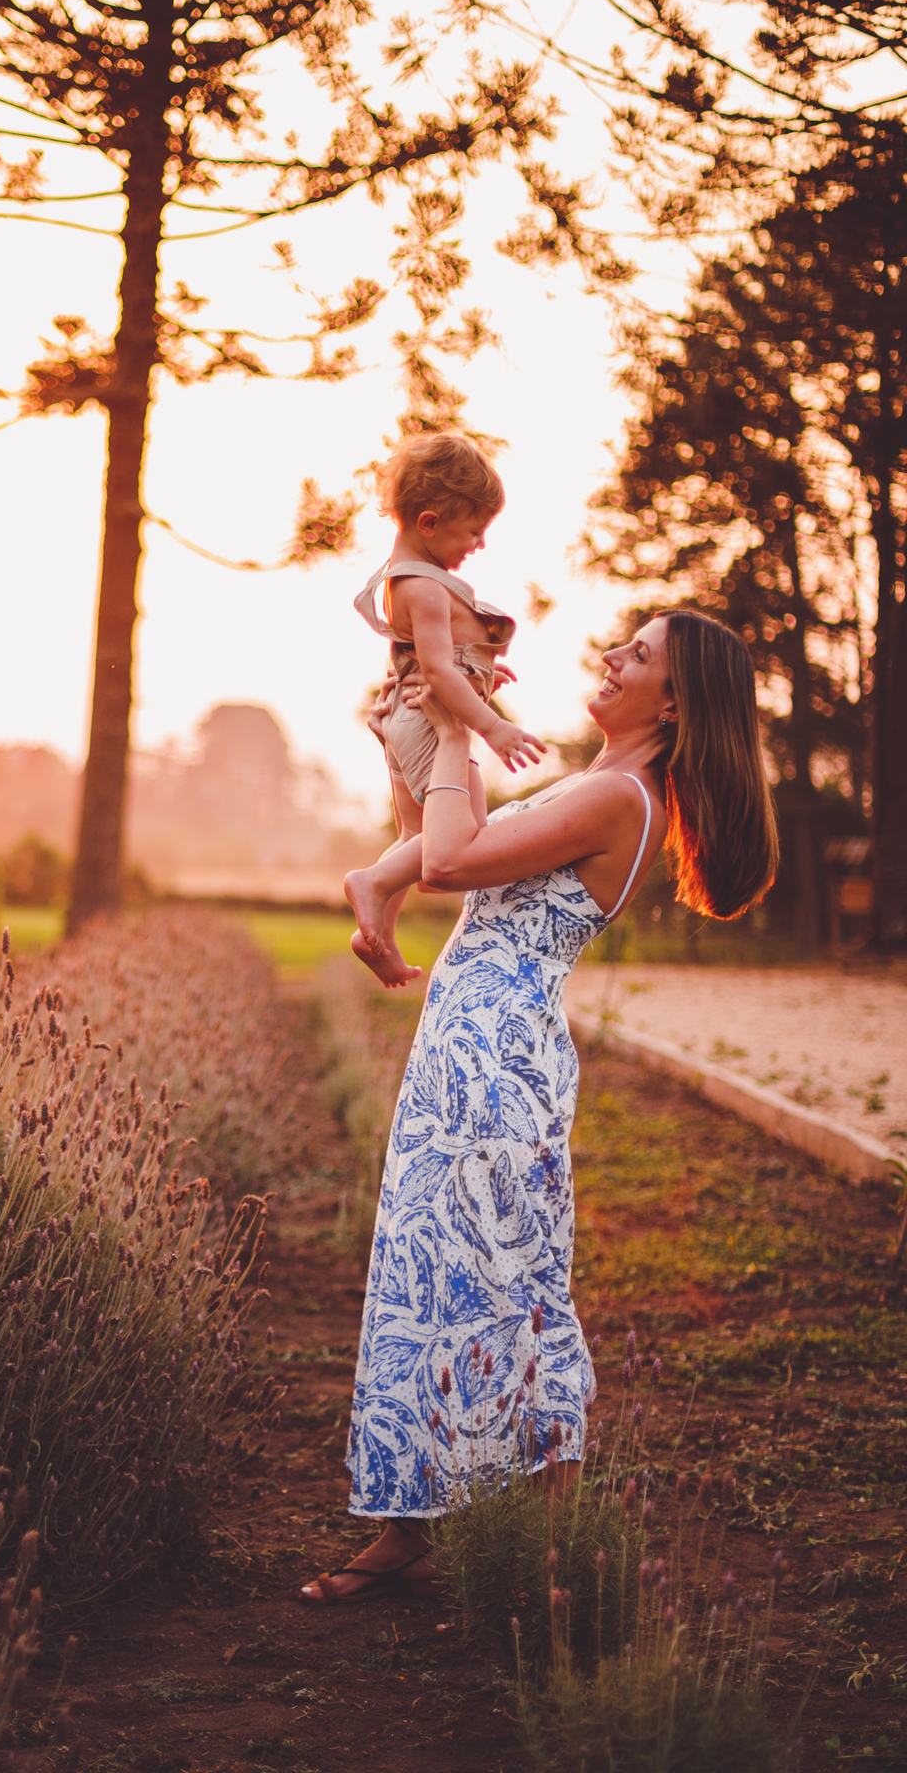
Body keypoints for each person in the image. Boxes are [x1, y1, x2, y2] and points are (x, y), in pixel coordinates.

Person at [301, 609, 778, 1604]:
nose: (613, 658)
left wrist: (458, 723)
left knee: (507, 1284)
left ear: (675, 702)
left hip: (497, 1060)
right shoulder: (593, 782)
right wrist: (423, 735)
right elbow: (437, 840)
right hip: (468, 1046)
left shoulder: (619, 798)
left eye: (638, 656)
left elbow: (448, 865)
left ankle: (549, 1558)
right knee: (431, 1274)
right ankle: (408, 1526)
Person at [344, 433, 546, 991]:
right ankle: (371, 883)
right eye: (474, 531)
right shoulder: (426, 588)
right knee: (466, 829)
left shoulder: (403, 577)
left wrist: (478, 672)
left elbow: (440, 659)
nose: (480, 544)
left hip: (402, 718)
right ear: (429, 523)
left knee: (416, 831)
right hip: (427, 723)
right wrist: (492, 724)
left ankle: (377, 937)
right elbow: (436, 671)